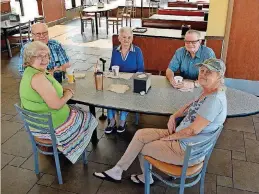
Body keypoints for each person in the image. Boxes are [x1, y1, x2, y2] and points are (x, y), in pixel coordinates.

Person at [94, 58, 227, 184]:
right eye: (202, 70)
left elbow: (192, 130)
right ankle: (117, 171)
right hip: (182, 138)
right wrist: (173, 116)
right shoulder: (207, 91)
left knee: (143, 148)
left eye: (208, 72)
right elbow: (189, 106)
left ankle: (146, 178)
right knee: (140, 135)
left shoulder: (214, 101)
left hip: (187, 151)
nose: (203, 74)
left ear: (219, 77)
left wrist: (171, 137)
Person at [19, 41, 98, 164]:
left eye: (47, 56)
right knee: (88, 117)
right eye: (40, 56)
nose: (45, 59)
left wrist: (61, 91)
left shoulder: (30, 71)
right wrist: (68, 94)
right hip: (50, 127)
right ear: (29, 58)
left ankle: (66, 145)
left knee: (75, 109)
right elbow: (56, 105)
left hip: (39, 122)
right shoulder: (38, 78)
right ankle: (70, 146)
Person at [106, 27, 144, 134]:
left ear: (132, 38)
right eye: (123, 37)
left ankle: (122, 120)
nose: (126, 40)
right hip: (117, 80)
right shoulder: (115, 50)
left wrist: (132, 79)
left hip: (131, 82)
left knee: (126, 94)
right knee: (109, 93)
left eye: (129, 37)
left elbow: (141, 70)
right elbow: (111, 68)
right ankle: (112, 121)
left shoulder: (137, 51)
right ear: (119, 38)